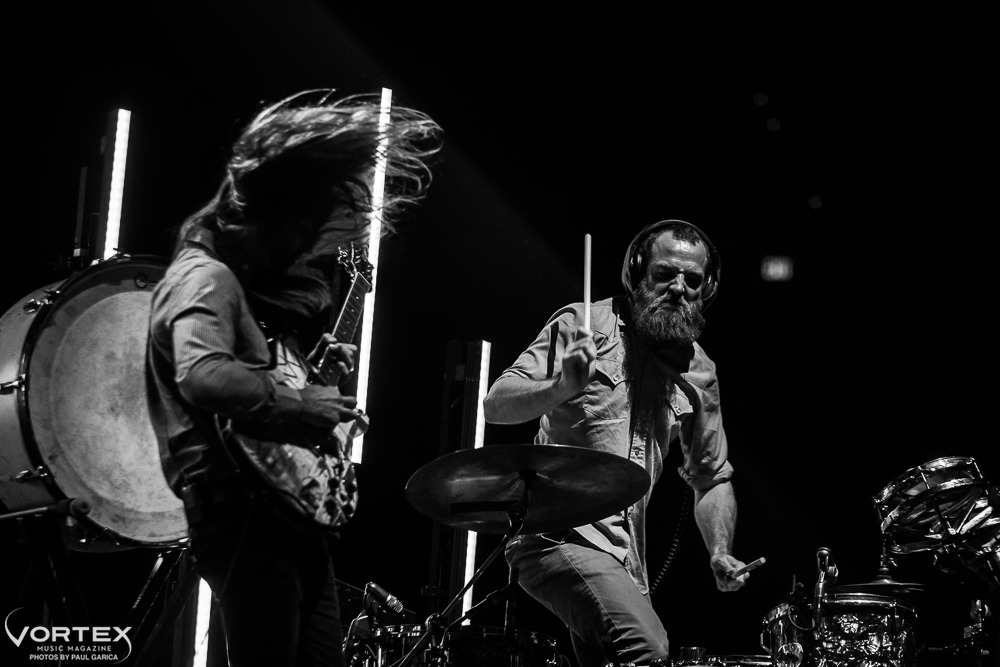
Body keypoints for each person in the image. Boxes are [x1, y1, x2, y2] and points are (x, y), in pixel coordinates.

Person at [146, 90, 442, 667]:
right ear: (280, 215)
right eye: (308, 232)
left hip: (281, 517)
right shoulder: (205, 278)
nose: (307, 252)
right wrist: (301, 404)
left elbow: (242, 386)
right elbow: (202, 375)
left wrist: (305, 375)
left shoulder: (228, 283)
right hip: (246, 515)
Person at [483, 220, 748, 667]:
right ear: (637, 272)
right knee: (648, 649)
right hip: (556, 533)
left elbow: (711, 479)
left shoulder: (700, 370)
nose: (678, 288)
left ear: (708, 288)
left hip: (627, 560)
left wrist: (720, 551)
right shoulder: (582, 324)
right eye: (665, 274)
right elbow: (496, 405)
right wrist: (561, 386)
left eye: (693, 280)